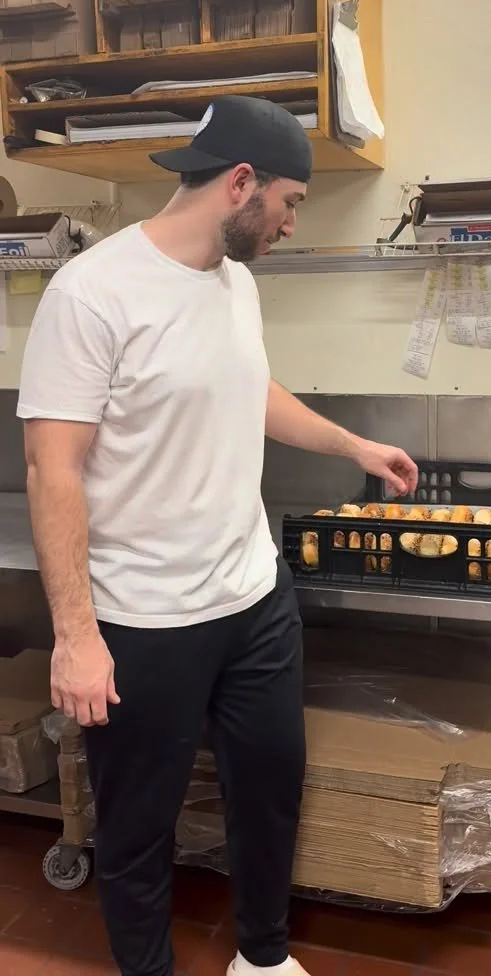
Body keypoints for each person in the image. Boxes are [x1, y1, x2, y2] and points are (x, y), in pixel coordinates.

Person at [17, 96, 418, 976]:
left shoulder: (235, 282)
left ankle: (262, 960)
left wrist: (354, 446)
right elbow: (53, 469)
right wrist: (77, 636)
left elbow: (250, 388)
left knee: (270, 792)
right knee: (137, 828)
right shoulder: (92, 293)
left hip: (253, 597)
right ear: (241, 183)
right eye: (290, 202)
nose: (290, 222)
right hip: (145, 619)